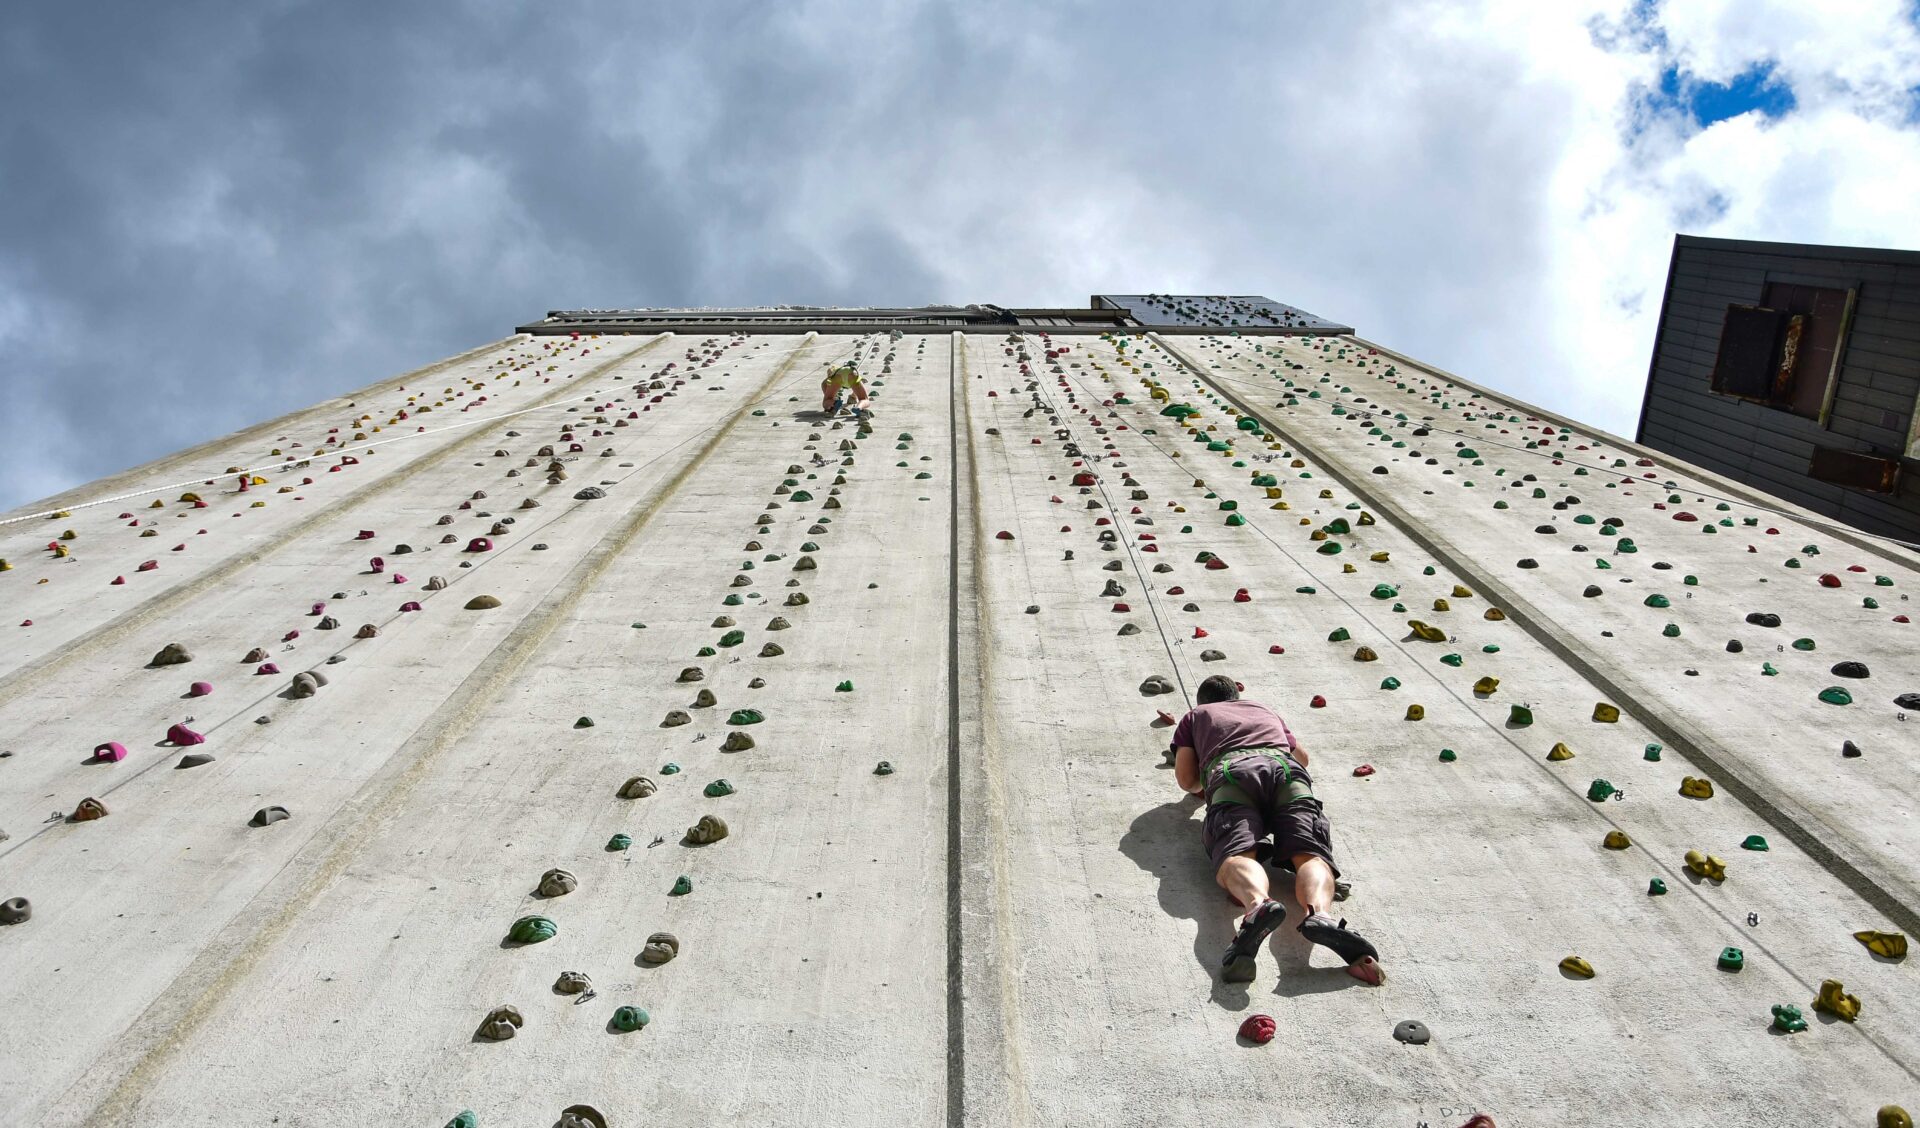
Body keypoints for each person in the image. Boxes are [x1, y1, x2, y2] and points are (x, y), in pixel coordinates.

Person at [1171, 674, 1381, 985]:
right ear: (1237, 697)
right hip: (1286, 771)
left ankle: (1258, 905)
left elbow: (1187, 780)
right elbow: (1303, 757)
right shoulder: (1264, 710)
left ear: (1204, 701)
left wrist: (1206, 769)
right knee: (1310, 855)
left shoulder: (1196, 716)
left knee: (1237, 853)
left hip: (1233, 773)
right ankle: (1320, 915)